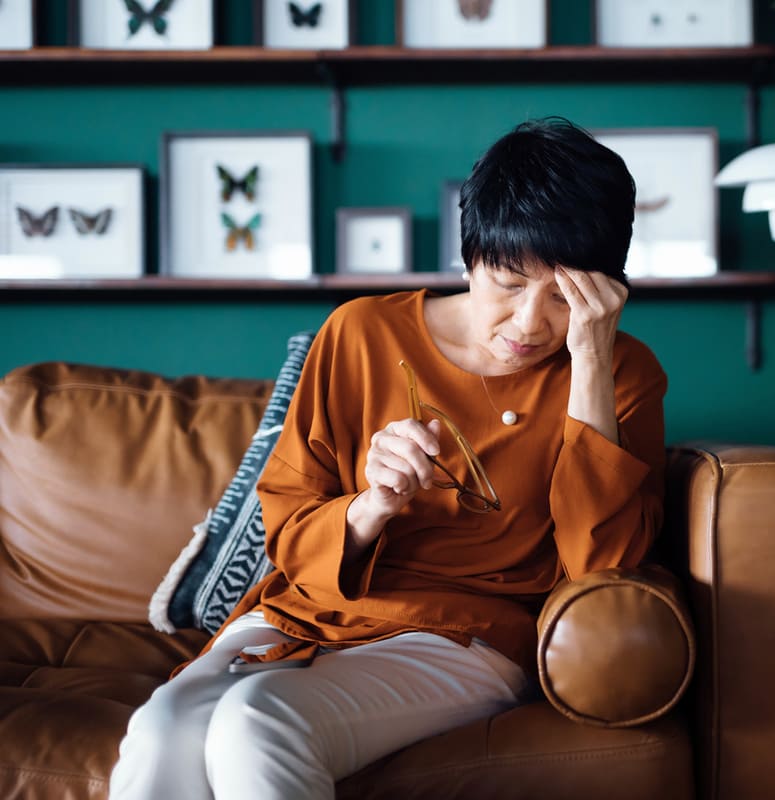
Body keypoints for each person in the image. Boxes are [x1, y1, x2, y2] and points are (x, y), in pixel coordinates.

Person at [108, 116, 667, 800]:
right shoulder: (359, 333)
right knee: (163, 728)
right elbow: (287, 531)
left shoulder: (619, 374)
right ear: (469, 258)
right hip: (308, 614)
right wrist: (373, 505)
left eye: (565, 298)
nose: (529, 324)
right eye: (510, 282)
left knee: (257, 722)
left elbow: (602, 573)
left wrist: (590, 362)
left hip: (467, 639)